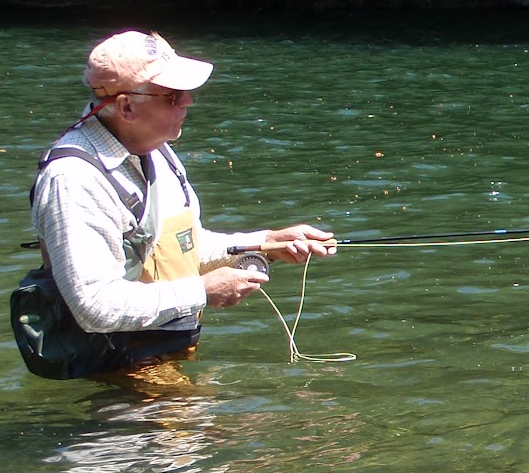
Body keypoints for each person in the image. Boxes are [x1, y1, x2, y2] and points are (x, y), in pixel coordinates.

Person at [20, 30, 335, 379]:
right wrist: (203, 290)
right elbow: (94, 307)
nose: (188, 101)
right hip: (117, 373)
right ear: (125, 106)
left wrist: (268, 243)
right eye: (171, 96)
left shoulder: (155, 148)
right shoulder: (73, 180)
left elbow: (181, 246)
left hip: (159, 357)